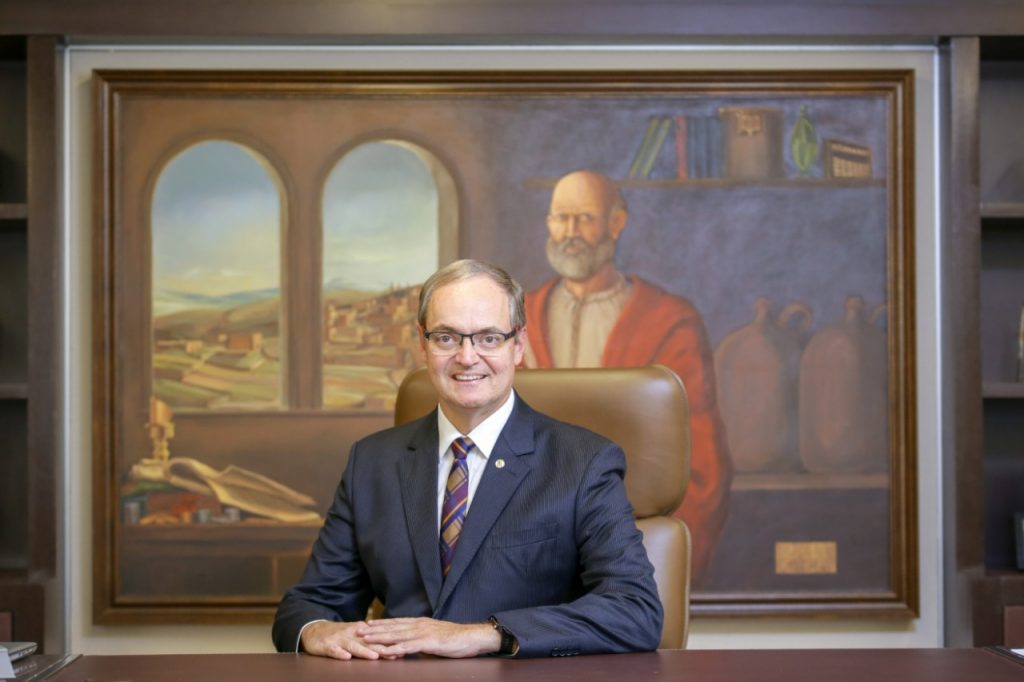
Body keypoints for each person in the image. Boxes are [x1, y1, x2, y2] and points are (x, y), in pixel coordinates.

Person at [273, 259, 662, 659]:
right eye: (446, 338)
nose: (467, 356)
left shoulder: (583, 462)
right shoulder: (372, 462)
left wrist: (482, 635)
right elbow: (308, 605)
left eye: (489, 338)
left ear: (518, 345)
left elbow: (635, 612)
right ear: (423, 343)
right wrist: (316, 630)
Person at [523, 169, 731, 582]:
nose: (570, 232)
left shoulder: (668, 323)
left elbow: (700, 460)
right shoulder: (517, 321)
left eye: (585, 217)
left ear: (616, 223)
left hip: (630, 543)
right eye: (561, 218)